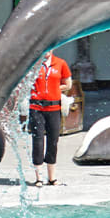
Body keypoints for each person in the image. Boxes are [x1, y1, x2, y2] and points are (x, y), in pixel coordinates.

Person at [29, 50, 72, 187]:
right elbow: (23, 81)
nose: (47, 50)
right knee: (38, 141)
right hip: (36, 108)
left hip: (53, 108)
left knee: (53, 141)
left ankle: (52, 178)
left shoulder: (60, 63)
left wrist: (55, 89)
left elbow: (68, 84)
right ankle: (38, 178)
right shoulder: (33, 64)